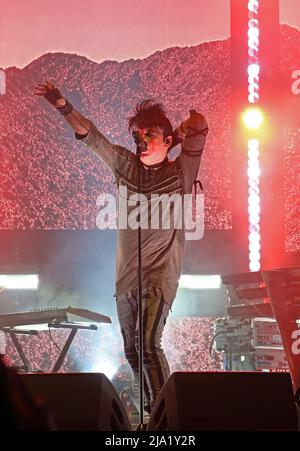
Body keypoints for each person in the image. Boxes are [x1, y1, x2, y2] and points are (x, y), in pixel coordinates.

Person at [34, 82, 208, 413]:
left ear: (168, 140)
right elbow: (93, 137)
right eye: (137, 136)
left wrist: (178, 132)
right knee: (132, 351)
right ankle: (149, 415)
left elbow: (199, 125)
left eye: (150, 135)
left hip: (159, 278)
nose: (141, 141)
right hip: (125, 281)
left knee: (147, 344)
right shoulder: (125, 166)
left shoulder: (181, 172)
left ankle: (165, 418)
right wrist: (62, 105)